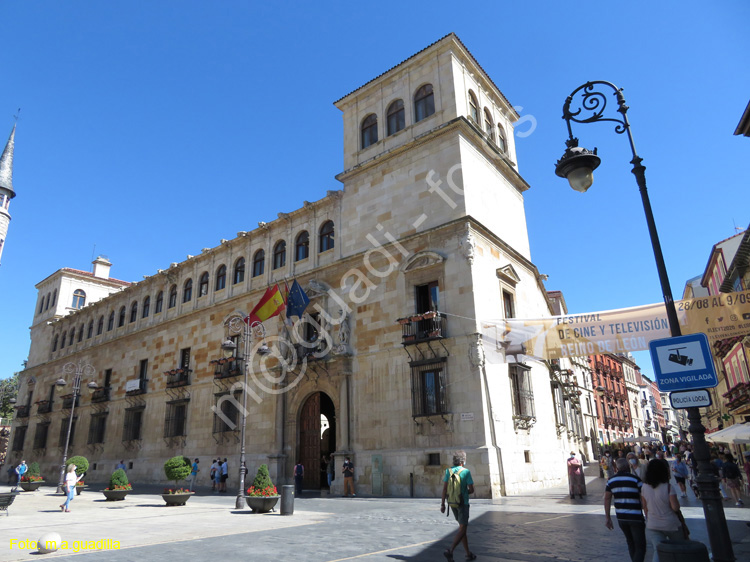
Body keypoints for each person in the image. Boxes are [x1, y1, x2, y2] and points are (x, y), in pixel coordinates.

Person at [641, 459, 686, 561]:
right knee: (679, 549)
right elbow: (675, 507)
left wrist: (649, 518)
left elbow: (644, 506)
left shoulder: (644, 487)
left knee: (658, 551)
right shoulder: (668, 487)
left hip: (653, 523)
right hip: (670, 524)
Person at [604, 457, 646, 562]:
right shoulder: (635, 479)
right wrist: (648, 514)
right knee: (640, 546)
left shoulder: (611, 481)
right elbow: (644, 497)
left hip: (621, 518)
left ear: (616, 468)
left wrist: (608, 518)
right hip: (636, 516)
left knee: (630, 543)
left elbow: (607, 498)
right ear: (628, 467)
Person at [440, 450, 476, 562]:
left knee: (462, 528)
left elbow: (445, 489)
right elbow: (471, 489)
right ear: (463, 461)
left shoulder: (448, 471)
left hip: (452, 503)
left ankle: (468, 554)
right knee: (463, 528)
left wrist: (442, 504)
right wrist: (465, 492)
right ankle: (450, 551)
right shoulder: (466, 472)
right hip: (463, 503)